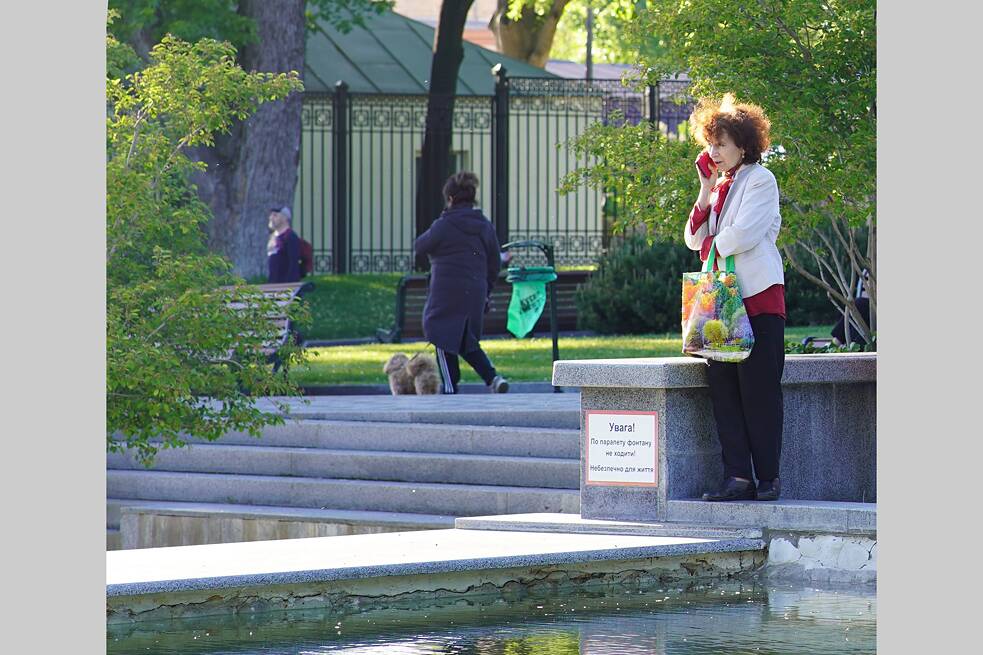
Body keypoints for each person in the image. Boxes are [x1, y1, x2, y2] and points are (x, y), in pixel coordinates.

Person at [683, 93, 785, 502]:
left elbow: (742, 235)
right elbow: (693, 236)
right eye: (710, 144)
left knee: (758, 392)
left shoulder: (761, 180)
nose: (714, 151)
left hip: (758, 299)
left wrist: (710, 245)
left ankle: (769, 478)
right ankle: (736, 478)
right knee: (724, 394)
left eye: (721, 144)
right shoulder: (720, 185)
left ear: (744, 144)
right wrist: (706, 188)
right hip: (720, 303)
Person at [414, 172, 509, 394]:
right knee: (467, 339)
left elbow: (420, 246)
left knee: (440, 334)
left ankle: (449, 386)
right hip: (474, 291)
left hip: (446, 292)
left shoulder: (443, 225)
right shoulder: (484, 225)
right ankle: (493, 378)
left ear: (450, 198)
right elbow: (495, 261)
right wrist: (486, 289)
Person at [267, 206, 301, 283]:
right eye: (271, 215)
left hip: (286, 284)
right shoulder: (273, 237)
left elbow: (293, 263)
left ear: (285, 218)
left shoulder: (290, 236)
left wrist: (290, 284)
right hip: (273, 283)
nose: (271, 218)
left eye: (275, 215)